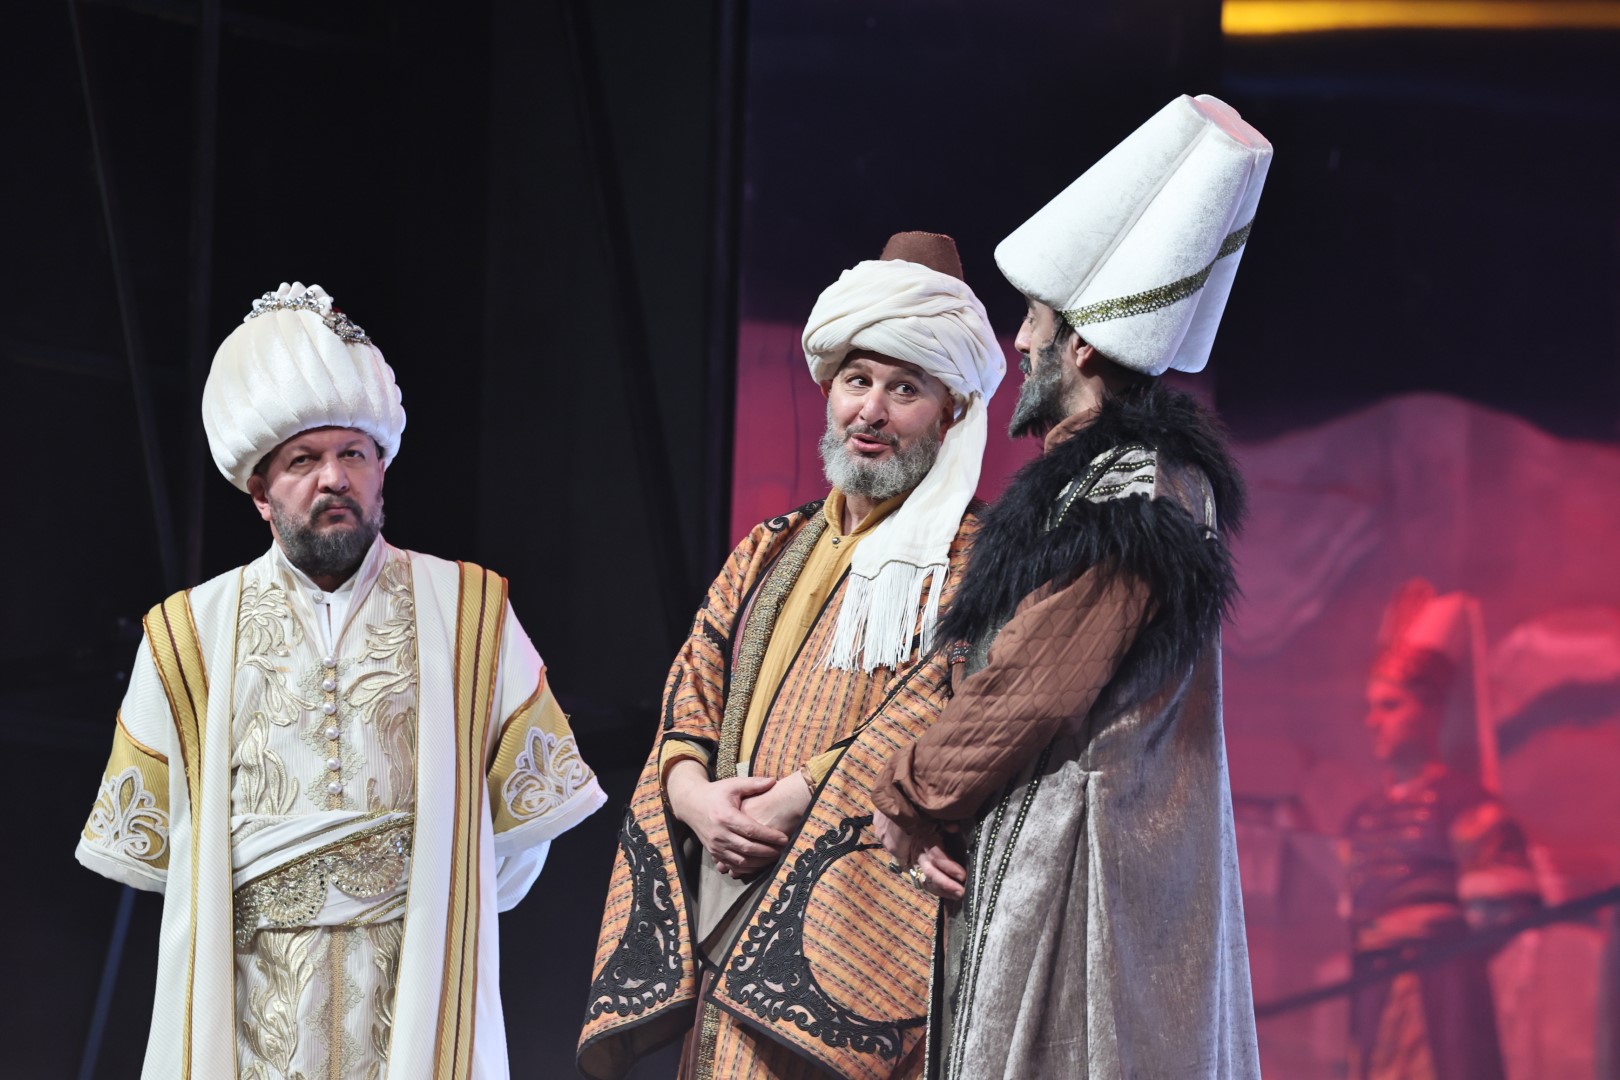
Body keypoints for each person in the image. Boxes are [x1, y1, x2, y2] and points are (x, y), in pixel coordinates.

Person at [75, 282, 606, 1079]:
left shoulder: (470, 612)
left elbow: (522, 834)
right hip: (249, 1009)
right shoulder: (189, 634)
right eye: (304, 460)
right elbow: (156, 858)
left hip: (414, 995)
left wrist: (439, 894)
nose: (334, 478)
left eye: (353, 454)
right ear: (260, 492)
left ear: (381, 469)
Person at [870, 95, 1270, 1079]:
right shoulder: (1128, 482)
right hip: (1091, 851)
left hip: (1084, 868)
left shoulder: (1126, 495)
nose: (1019, 342)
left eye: (1035, 323)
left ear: (1081, 347)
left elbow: (1033, 683)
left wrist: (910, 794)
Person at [578, 233, 1005, 1080]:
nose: (870, 412)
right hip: (729, 889)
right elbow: (693, 686)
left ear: (951, 411)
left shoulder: (976, 558)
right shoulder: (771, 545)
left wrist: (797, 797)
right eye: (857, 380)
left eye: (905, 388)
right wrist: (692, 796)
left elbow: (941, 713)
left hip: (862, 919)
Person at [1344, 580, 1539, 1080]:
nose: (1374, 721)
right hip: (1373, 996)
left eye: (1391, 706)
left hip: (1444, 995)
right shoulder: (1361, 819)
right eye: (1370, 707)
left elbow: (1505, 916)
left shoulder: (1466, 805)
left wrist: (1428, 934)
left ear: (1429, 711)